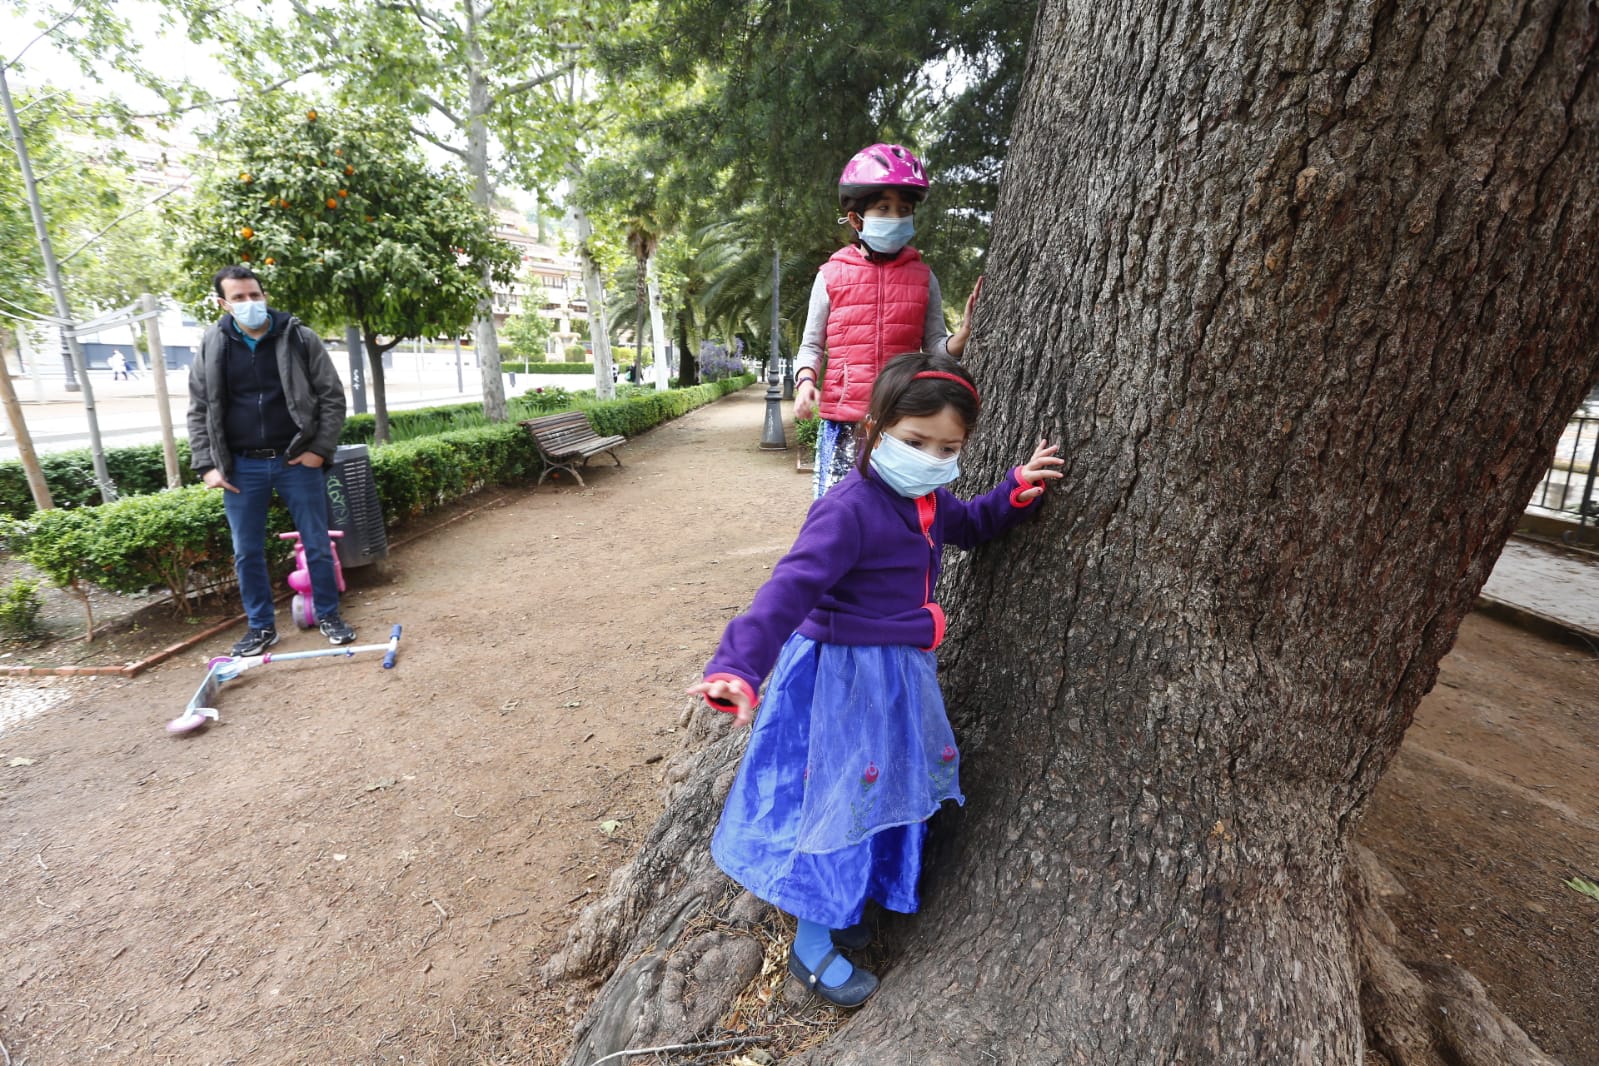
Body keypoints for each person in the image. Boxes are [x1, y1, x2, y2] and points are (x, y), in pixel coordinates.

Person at [688, 352, 1063, 1007]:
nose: (929, 457)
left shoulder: (926, 500)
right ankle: (811, 943)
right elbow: (788, 587)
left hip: (896, 676)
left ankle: (850, 899)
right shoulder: (849, 508)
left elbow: (969, 524)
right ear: (874, 428)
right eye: (915, 441)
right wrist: (737, 666)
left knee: (878, 791)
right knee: (836, 804)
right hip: (839, 683)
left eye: (948, 447)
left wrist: (1013, 492)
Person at [792, 143, 984, 498]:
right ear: (856, 218)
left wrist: (964, 335)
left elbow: (937, 348)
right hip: (844, 423)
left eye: (904, 209)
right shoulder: (831, 275)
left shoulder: (923, 277)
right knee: (840, 511)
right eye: (883, 208)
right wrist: (805, 384)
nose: (895, 217)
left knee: (897, 511)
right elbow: (811, 344)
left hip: (901, 422)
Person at [188, 264, 356, 655]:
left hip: (296, 460)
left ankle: (329, 614)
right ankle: (261, 627)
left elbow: (331, 397)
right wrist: (207, 466)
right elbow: (199, 408)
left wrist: (319, 450)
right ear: (223, 303)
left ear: (264, 295)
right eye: (239, 298)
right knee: (247, 551)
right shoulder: (213, 344)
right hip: (241, 466)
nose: (250, 303)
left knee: (316, 543)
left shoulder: (298, 337)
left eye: (255, 295)